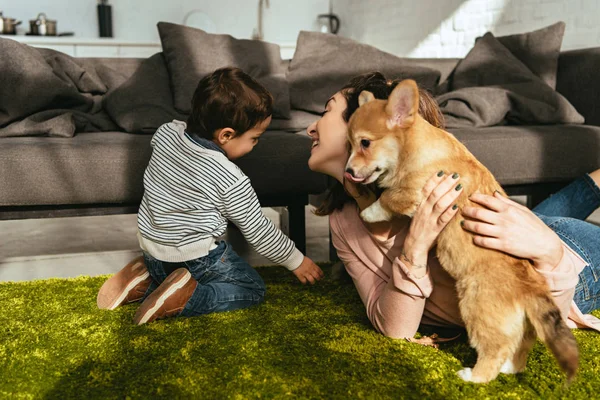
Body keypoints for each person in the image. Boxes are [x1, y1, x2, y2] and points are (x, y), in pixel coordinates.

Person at [307, 71, 600, 339]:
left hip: (569, 267)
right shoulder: (342, 221)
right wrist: (415, 248)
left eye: (326, 111)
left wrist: (550, 253)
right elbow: (393, 327)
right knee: (536, 219)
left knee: (542, 226)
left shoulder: (429, 177)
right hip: (513, 237)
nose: (310, 128)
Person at [97, 67, 324, 325]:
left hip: (152, 249)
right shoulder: (229, 177)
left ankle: (146, 280)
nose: (256, 145)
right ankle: (187, 297)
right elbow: (258, 230)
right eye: (255, 138)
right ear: (226, 135)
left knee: (171, 271)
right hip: (195, 258)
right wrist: (296, 260)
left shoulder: (165, 133)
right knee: (251, 289)